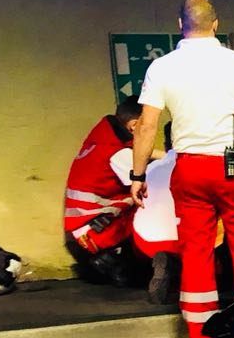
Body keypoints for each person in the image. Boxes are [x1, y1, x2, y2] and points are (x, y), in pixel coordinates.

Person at [130, 0, 234, 338]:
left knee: (196, 250)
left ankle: (201, 334)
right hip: (233, 168)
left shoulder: (162, 67)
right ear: (216, 24)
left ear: (179, 24)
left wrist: (138, 176)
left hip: (190, 168)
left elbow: (147, 126)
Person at [63, 97, 171, 290]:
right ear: (135, 125)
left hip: (85, 227)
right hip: (96, 233)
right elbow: (147, 183)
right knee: (154, 205)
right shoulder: (116, 153)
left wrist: (172, 156)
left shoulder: (105, 137)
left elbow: (141, 152)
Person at [131, 122, 182, 304]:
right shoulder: (197, 167)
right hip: (182, 242)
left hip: (145, 242)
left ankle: (165, 267)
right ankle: (177, 268)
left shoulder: (151, 168)